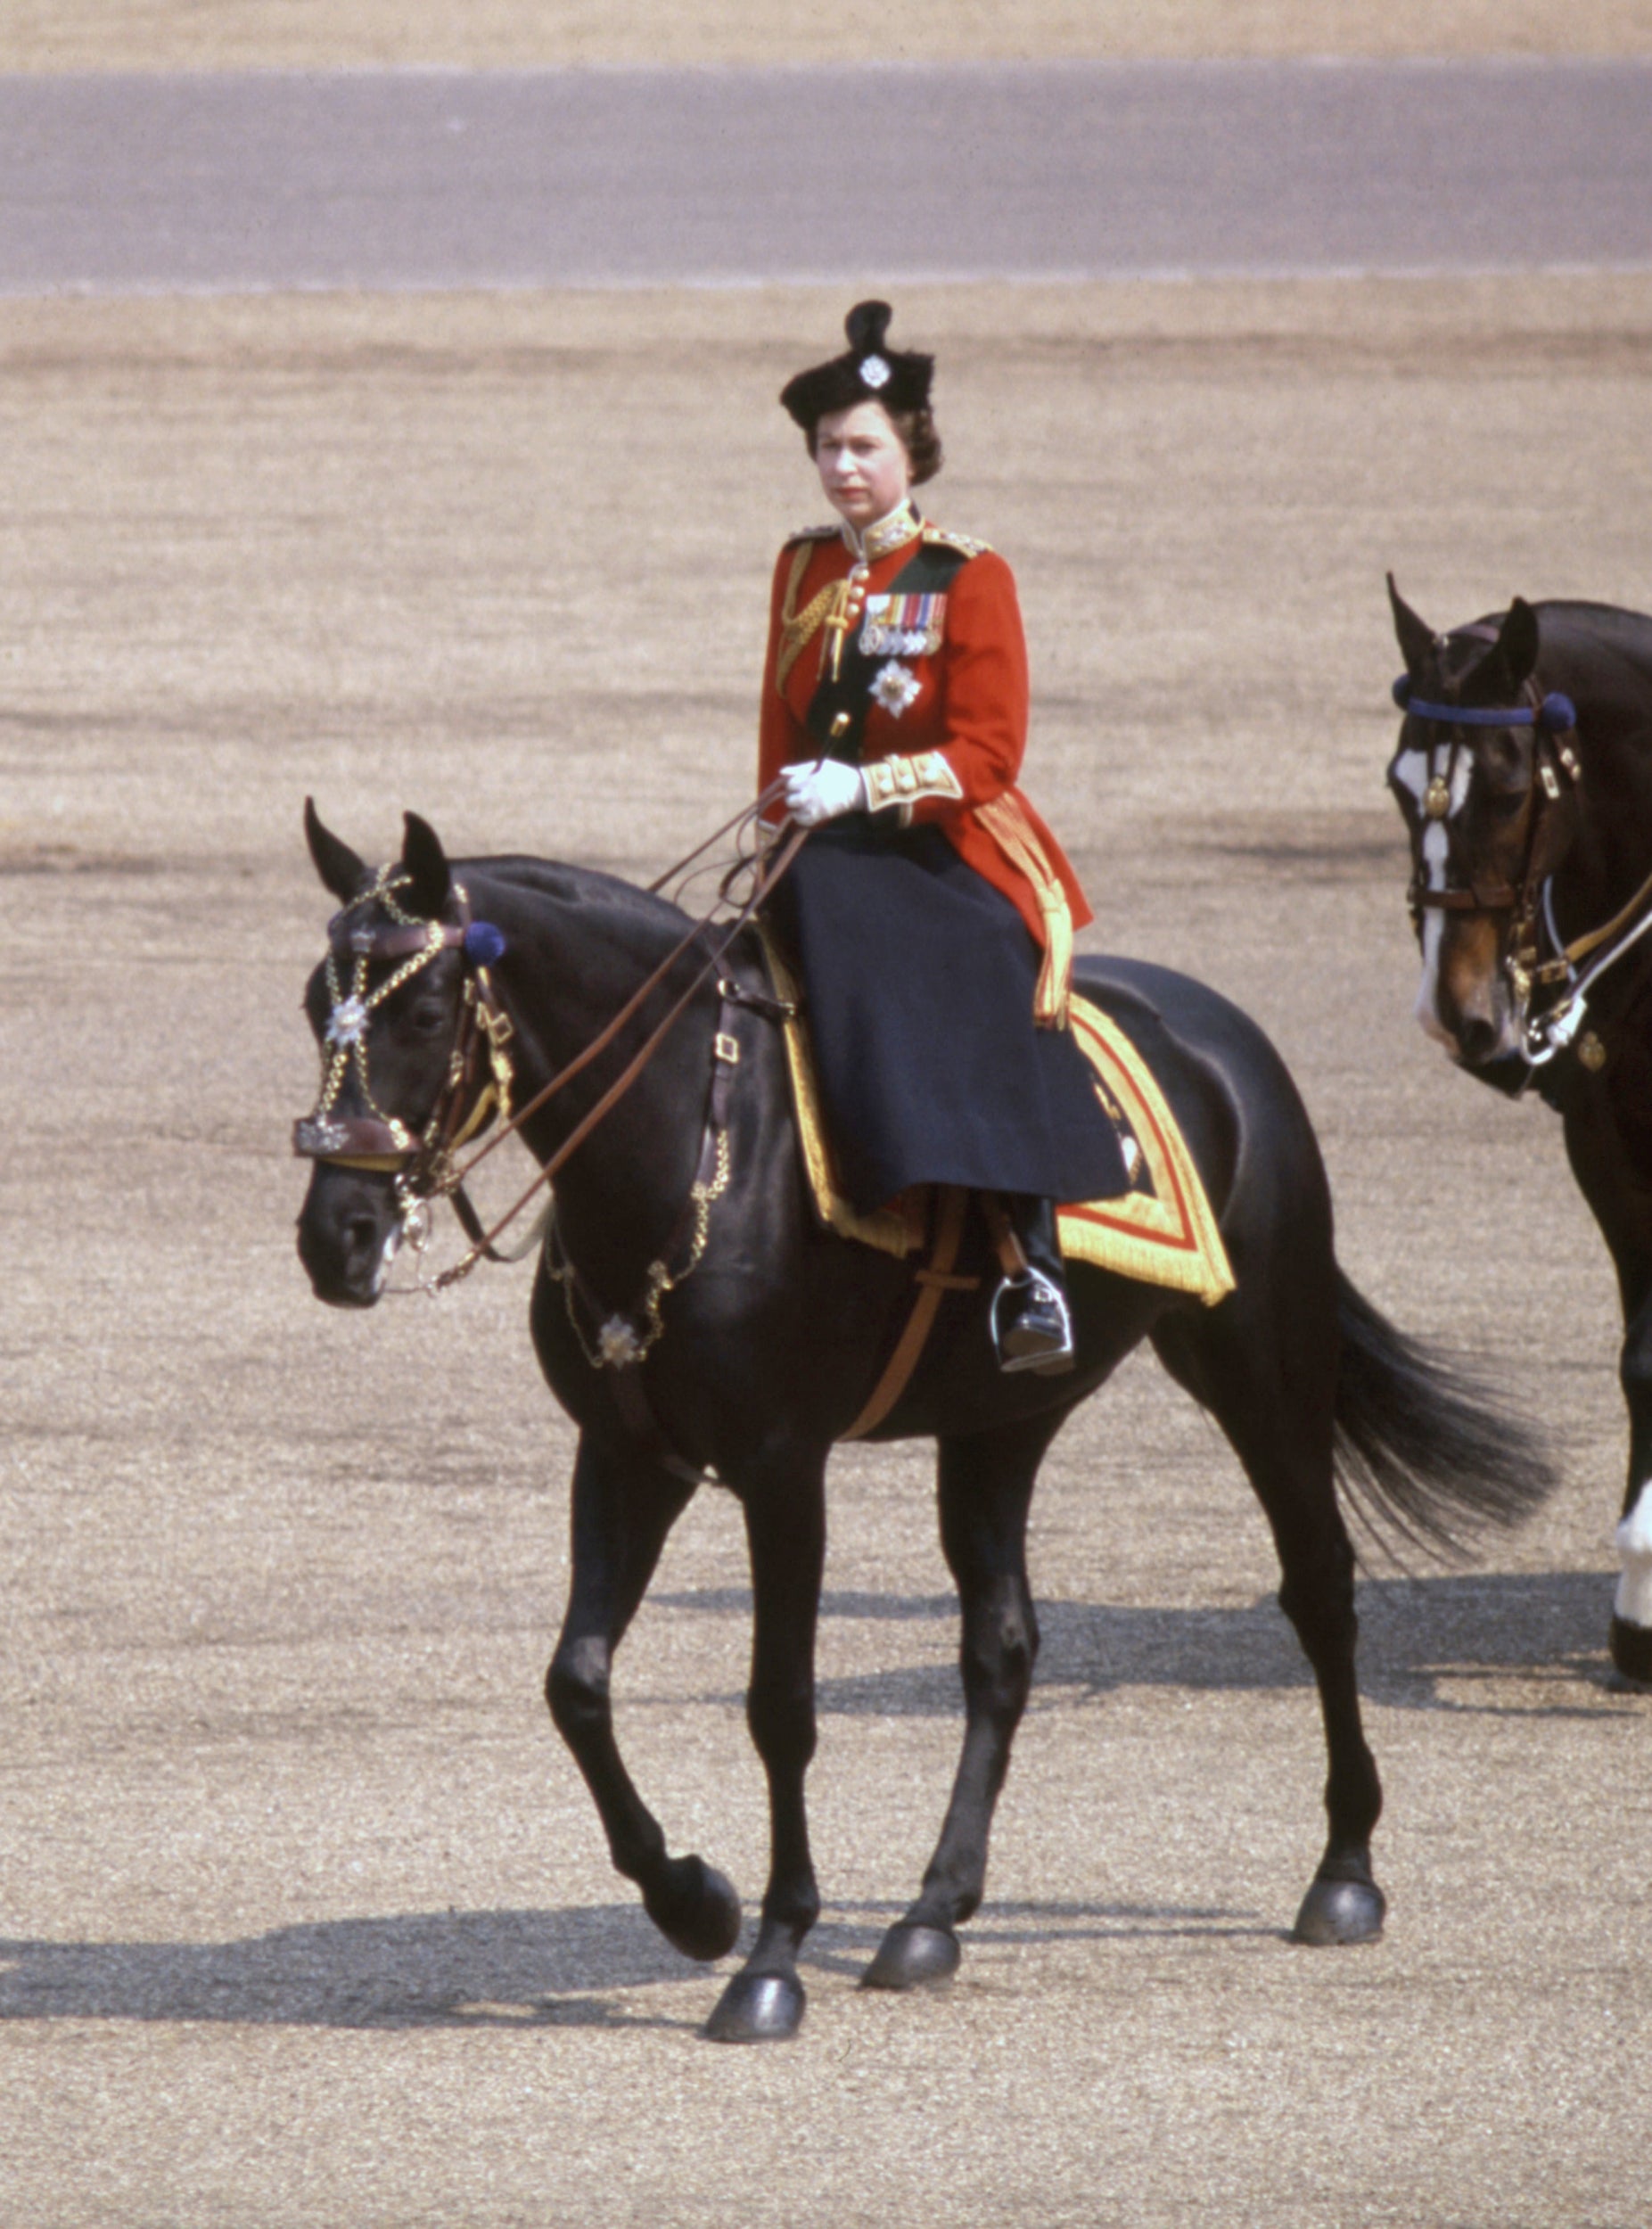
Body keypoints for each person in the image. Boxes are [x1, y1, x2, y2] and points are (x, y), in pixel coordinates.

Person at [758, 301, 1127, 1372]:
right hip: (819, 837)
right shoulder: (799, 569)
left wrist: (862, 787)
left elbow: (987, 755)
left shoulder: (967, 575)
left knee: (960, 968)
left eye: (863, 445)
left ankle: (1030, 1266)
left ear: (910, 449)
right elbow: (781, 734)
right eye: (826, 447)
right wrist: (781, 821)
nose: (841, 467)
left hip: (949, 840)